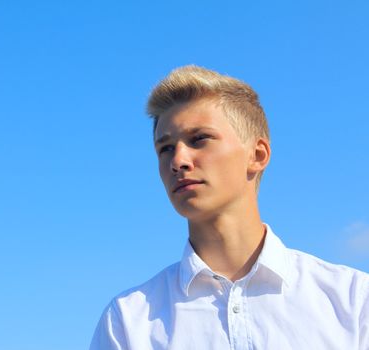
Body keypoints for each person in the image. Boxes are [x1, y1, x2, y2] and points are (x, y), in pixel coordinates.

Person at [89, 66, 369, 349]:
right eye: (166, 148)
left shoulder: (354, 301)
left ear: (257, 155)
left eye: (199, 139)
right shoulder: (127, 321)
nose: (178, 160)